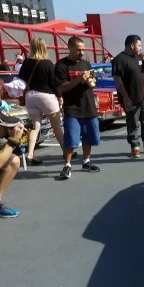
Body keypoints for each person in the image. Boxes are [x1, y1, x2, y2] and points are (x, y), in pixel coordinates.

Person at [54, 36, 102, 180]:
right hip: (72, 108)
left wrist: (91, 80)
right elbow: (62, 87)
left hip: (88, 105)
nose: (81, 53)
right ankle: (67, 165)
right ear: (70, 48)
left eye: (83, 50)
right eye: (78, 50)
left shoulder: (86, 64)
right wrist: (78, 79)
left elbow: (93, 82)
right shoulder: (62, 65)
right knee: (71, 138)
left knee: (89, 136)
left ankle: (86, 161)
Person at [18, 37, 66, 166]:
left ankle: (30, 154)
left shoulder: (26, 63)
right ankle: (66, 152)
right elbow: (53, 83)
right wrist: (59, 96)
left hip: (30, 96)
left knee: (35, 126)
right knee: (56, 126)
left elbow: (20, 80)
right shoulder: (47, 63)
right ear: (43, 47)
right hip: (46, 96)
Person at [112, 34, 144, 159]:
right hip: (130, 98)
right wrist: (126, 97)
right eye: (139, 45)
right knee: (133, 123)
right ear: (132, 45)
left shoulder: (139, 58)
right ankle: (135, 146)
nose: (140, 48)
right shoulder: (120, 59)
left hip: (143, 96)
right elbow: (118, 79)